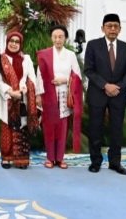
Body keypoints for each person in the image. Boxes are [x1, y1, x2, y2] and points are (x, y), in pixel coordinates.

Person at [84, 13, 126, 175]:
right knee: (95, 129)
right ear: (103, 28)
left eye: (115, 26)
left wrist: (117, 87)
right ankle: (95, 162)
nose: (112, 29)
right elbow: (89, 70)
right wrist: (105, 85)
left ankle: (115, 163)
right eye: (109, 26)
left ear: (120, 29)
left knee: (116, 129)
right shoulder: (93, 45)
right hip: (97, 93)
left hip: (117, 94)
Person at [36, 25, 83, 169]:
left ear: (65, 38)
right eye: (55, 37)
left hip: (64, 94)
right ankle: (50, 158)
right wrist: (38, 94)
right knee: (49, 127)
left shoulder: (70, 55)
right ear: (51, 38)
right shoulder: (44, 54)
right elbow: (39, 76)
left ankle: (60, 158)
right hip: (48, 94)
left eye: (60, 37)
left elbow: (78, 76)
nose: (58, 40)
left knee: (62, 128)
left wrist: (65, 80)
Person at [0, 31, 40, 169]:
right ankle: (6, 158)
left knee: (22, 128)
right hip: (7, 99)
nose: (14, 44)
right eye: (11, 41)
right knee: (7, 128)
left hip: (23, 99)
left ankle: (21, 160)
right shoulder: (1, 58)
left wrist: (25, 89)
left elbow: (32, 78)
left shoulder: (26, 59)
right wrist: (10, 92)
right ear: (7, 42)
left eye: (17, 42)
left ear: (20, 44)